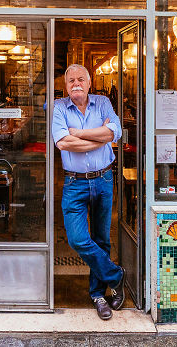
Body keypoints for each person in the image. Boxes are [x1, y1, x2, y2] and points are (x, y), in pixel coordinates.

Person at [52, 63, 125, 320]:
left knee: (102, 239)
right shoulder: (59, 107)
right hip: (75, 183)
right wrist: (98, 136)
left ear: (90, 82)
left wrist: (80, 134)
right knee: (78, 239)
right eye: (71, 80)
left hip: (103, 179)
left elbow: (113, 133)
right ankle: (116, 276)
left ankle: (98, 294)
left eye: (80, 79)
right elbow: (63, 142)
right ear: (65, 86)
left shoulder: (103, 102)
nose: (76, 84)